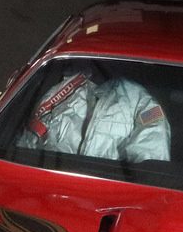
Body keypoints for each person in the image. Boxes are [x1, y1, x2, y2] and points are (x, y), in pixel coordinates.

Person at [14, 70, 172, 163]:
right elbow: (28, 143)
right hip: (53, 188)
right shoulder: (68, 88)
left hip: (106, 197)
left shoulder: (141, 102)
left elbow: (151, 154)